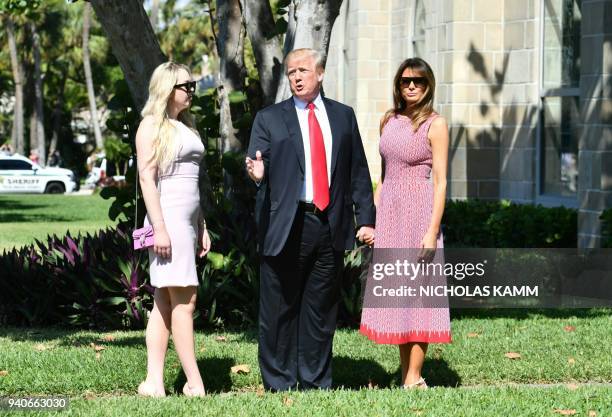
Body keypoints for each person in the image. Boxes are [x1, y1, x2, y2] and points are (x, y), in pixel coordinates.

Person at [245, 48, 375, 391]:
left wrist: (366, 219)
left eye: (302, 70)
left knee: (320, 311)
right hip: (287, 224)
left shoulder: (343, 116)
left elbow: (357, 170)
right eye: (291, 73)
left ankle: (316, 382)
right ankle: (279, 382)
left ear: (320, 73)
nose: (296, 77)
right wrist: (259, 173)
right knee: (279, 310)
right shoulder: (270, 118)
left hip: (329, 225)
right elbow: (258, 163)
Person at [359, 58, 452, 389]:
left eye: (419, 82)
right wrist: (369, 218)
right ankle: (405, 375)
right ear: (398, 85)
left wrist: (432, 231)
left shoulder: (436, 123)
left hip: (420, 215)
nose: (411, 86)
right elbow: (383, 178)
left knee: (419, 296)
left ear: (428, 86)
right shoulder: (389, 119)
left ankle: (413, 377)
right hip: (391, 214)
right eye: (405, 81)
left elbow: (440, 181)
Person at [135, 61, 210, 397]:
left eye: (192, 85)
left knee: (165, 302)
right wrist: (160, 229)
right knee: (185, 301)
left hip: (187, 225)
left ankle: (154, 382)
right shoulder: (151, 126)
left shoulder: (185, 127)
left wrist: (202, 225)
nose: (190, 91)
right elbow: (146, 180)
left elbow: (192, 184)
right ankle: (194, 383)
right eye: (185, 86)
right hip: (168, 223)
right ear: (167, 89)